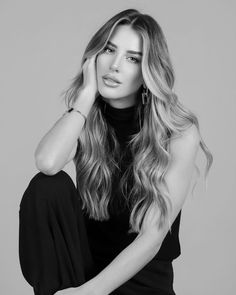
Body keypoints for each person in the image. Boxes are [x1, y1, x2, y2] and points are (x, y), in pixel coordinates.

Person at [18, 8, 213, 295]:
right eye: (109, 50)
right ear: (94, 55)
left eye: (132, 58)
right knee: (46, 187)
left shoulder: (179, 131)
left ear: (148, 71)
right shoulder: (85, 119)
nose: (115, 66)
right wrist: (84, 100)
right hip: (83, 271)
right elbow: (46, 162)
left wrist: (90, 293)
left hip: (141, 283)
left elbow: (152, 236)